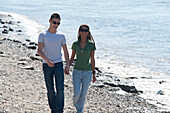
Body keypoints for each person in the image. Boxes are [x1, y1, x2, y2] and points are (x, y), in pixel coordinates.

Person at [37, 13, 69, 113]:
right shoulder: (42, 35)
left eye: (58, 23)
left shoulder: (61, 36)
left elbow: (65, 51)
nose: (56, 25)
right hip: (46, 65)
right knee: (50, 89)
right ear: (50, 21)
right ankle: (53, 109)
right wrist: (47, 60)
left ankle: (59, 110)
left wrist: (67, 65)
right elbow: (39, 50)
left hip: (58, 64)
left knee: (60, 88)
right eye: (54, 22)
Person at [69, 24, 96, 113]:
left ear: (88, 32)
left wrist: (94, 74)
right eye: (82, 30)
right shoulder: (75, 44)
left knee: (83, 94)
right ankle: (77, 105)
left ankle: (79, 110)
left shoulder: (91, 44)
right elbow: (72, 57)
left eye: (86, 30)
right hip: (76, 71)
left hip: (87, 72)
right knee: (77, 94)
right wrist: (67, 67)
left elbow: (92, 59)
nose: (84, 32)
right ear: (79, 32)